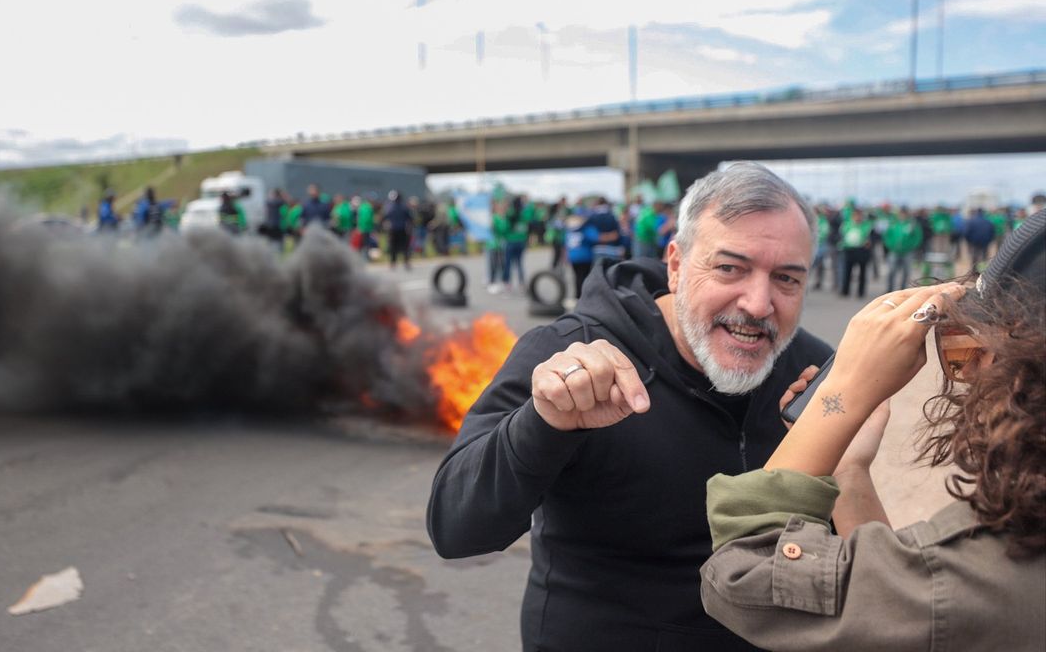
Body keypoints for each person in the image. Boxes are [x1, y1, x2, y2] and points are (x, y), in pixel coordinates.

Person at [427, 163, 833, 651]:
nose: (759, 303)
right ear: (677, 265)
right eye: (730, 268)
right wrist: (543, 424)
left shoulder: (815, 371)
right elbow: (455, 526)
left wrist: (853, 446)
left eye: (786, 279)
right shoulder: (569, 352)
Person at [700, 209, 1046, 651]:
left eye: (974, 346)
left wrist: (840, 397)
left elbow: (745, 574)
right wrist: (848, 469)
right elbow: (899, 605)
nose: (968, 373)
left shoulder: (987, 575)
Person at [383, 190, 413, 270]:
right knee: (403, 247)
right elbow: (410, 218)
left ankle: (394, 263)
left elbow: (385, 218)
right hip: (400, 229)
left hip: (394, 229)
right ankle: (404, 263)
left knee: (394, 247)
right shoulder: (404, 206)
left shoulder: (389, 207)